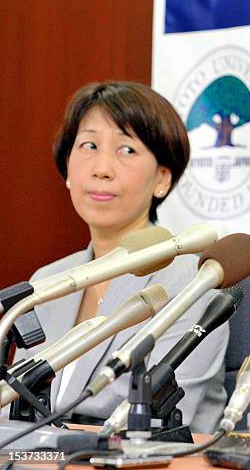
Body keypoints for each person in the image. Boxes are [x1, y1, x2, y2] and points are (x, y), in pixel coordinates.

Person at [12, 81, 227, 432]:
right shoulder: (47, 282)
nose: (102, 168)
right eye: (89, 145)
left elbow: (154, 419)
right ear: (67, 168)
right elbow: (17, 405)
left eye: (126, 150)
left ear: (162, 178)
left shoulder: (193, 281)